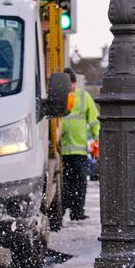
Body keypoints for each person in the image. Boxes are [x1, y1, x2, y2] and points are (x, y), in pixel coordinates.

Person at [60, 67, 100, 221]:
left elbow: (95, 120)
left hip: (79, 150)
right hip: (61, 151)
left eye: (72, 84)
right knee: (65, 184)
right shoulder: (59, 97)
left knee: (80, 183)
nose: (71, 87)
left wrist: (97, 140)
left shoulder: (84, 96)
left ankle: (77, 212)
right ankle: (63, 210)